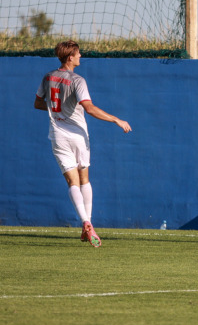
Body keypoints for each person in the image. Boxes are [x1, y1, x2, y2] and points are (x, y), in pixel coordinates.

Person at [34, 40, 132, 247]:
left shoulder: (48, 77)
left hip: (58, 135)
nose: (80, 57)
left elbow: (38, 103)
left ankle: (85, 223)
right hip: (78, 135)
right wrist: (116, 119)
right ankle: (89, 222)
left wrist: (55, 110)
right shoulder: (78, 80)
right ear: (70, 57)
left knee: (72, 182)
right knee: (84, 178)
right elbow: (89, 108)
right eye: (78, 54)